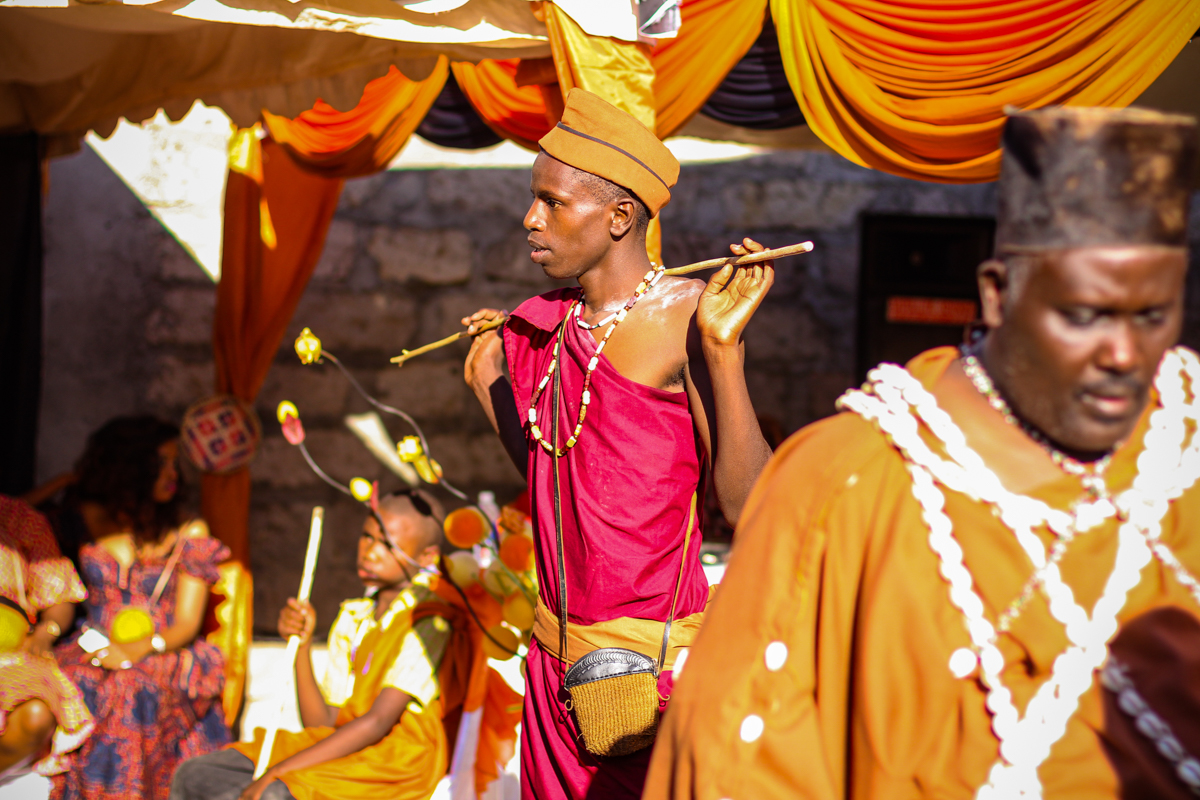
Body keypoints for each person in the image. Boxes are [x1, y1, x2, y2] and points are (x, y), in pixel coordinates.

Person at [643, 106, 1200, 800]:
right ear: (996, 294)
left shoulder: (1185, 461)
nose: (1123, 356)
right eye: (1083, 315)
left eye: (1152, 316)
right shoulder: (856, 475)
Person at [461, 88, 774, 799]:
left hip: (649, 672)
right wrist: (490, 385)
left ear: (619, 217)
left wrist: (724, 354)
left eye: (551, 202)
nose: (528, 219)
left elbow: (750, 504)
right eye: (532, 198)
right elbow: (555, 478)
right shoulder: (541, 326)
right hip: (551, 660)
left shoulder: (689, 318)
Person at [171, 490, 520, 800]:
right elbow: (322, 720)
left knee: (276, 793)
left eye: (387, 544)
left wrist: (278, 772)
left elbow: (379, 721)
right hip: (345, 744)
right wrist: (302, 646)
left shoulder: (431, 621)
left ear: (427, 556)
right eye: (367, 537)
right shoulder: (355, 616)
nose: (370, 551)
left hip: (394, 762)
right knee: (197, 776)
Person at [52, 416, 231, 800]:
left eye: (175, 464)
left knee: (132, 688)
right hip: (92, 642)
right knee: (80, 683)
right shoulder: (85, 515)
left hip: (164, 647)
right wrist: (64, 482)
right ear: (130, 467)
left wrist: (135, 652)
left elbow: (186, 623)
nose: (173, 474)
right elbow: (14, 516)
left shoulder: (188, 530)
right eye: (161, 463)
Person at [0, 496, 92, 781]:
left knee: (36, 716)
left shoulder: (18, 518)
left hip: (9, 658)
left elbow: (60, 596)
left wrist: (47, 629)